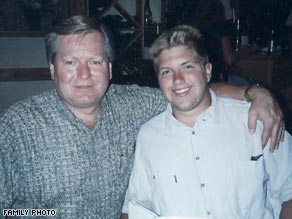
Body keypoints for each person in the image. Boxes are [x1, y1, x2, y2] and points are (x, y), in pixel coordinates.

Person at [0, 15, 285, 219]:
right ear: (52, 70)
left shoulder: (132, 105)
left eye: (95, 62)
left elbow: (187, 93)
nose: (84, 74)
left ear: (110, 68)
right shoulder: (18, 126)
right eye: (71, 62)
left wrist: (255, 92)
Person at [122, 25, 292, 219]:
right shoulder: (149, 136)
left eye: (187, 67)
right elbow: (134, 207)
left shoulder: (255, 119)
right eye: (166, 72)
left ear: (207, 71)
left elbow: (289, 190)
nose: (178, 80)